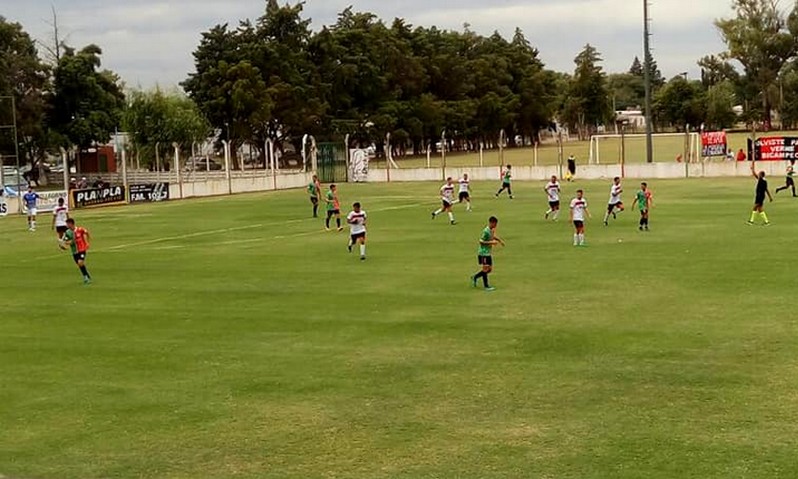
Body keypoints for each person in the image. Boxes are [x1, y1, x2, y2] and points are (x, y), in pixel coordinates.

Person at [471, 216, 504, 291]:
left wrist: (500, 240)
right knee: (485, 269)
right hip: (483, 253)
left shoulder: (491, 230)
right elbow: (481, 241)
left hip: (488, 253)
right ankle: (486, 286)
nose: (496, 226)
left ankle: (475, 277)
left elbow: (492, 236)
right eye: (495, 224)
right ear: (491, 223)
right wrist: (491, 242)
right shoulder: (485, 231)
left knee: (490, 270)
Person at [61, 218, 92, 284]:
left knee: (80, 262)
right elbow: (66, 241)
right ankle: (86, 275)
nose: (67, 225)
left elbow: (87, 233)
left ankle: (85, 277)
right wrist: (65, 245)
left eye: (67, 224)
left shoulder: (80, 230)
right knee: (79, 264)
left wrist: (87, 243)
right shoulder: (67, 232)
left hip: (82, 249)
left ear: (71, 224)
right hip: (74, 251)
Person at [748, 161, 773, 226]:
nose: (758, 175)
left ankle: (751, 221)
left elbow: (754, 173)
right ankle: (766, 222)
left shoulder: (761, 180)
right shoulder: (764, 181)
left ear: (761, 175)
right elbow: (766, 190)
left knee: (755, 208)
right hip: (761, 196)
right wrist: (770, 197)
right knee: (760, 209)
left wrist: (752, 167)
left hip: (759, 196)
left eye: (759, 174)